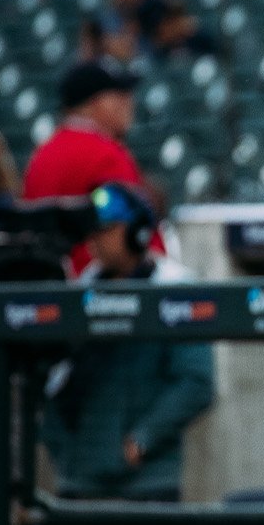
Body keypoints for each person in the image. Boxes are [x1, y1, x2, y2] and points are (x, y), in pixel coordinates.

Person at [41, 183, 213, 501]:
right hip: (79, 480)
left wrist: (142, 441)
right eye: (92, 232)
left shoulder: (173, 288)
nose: (96, 241)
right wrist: (62, 450)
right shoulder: (77, 295)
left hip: (148, 482)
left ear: (137, 233)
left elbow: (196, 382)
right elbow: (52, 383)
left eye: (107, 231)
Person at [23, 58, 154, 274]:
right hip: (94, 290)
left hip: (43, 282)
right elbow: (132, 240)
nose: (129, 102)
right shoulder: (106, 153)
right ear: (93, 104)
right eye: (119, 96)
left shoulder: (42, 153)